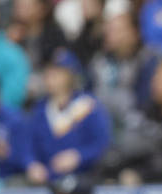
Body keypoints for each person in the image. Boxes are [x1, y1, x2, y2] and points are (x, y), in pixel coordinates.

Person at [26, 49, 111, 183]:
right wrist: (31, 164)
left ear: (70, 75)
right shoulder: (39, 109)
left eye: (57, 72)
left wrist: (79, 156)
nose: (50, 76)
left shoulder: (87, 106)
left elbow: (102, 142)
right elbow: (28, 143)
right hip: (47, 179)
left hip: (83, 178)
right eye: (48, 71)